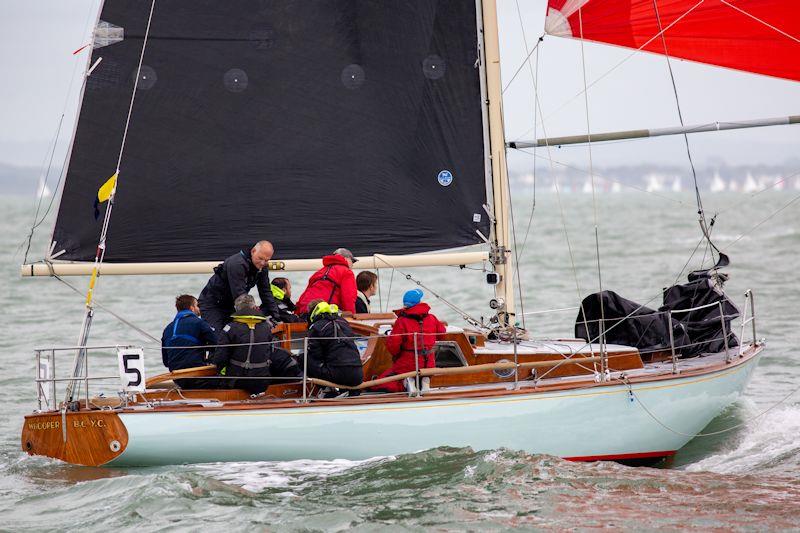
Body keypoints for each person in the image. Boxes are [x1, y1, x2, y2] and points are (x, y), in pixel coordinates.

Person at [212, 294, 302, 394]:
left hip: (237, 381)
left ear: (237, 310)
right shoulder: (266, 327)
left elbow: (220, 357)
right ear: (254, 307)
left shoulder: (229, 328)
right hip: (261, 381)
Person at [198, 241, 283, 334]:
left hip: (229, 305)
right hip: (211, 304)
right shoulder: (237, 264)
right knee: (218, 338)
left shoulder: (262, 267)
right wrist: (253, 318)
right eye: (260, 258)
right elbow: (240, 295)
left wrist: (276, 317)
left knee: (236, 336)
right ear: (253, 251)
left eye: (266, 260)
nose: (263, 263)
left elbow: (265, 292)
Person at [372, 289, 445, 393]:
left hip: (407, 365)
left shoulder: (402, 321)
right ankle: (425, 380)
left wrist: (397, 355)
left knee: (381, 382)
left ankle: (407, 381)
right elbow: (442, 334)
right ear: (419, 302)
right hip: (429, 363)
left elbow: (393, 346)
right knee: (422, 369)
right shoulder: (432, 318)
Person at [303, 299, 364, 389]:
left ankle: (316, 391)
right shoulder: (344, 322)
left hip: (337, 375)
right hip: (357, 375)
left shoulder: (316, 327)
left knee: (304, 359)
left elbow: (315, 355)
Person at [161, 294, 218, 389]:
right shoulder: (199, 323)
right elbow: (217, 345)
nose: (199, 309)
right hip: (197, 374)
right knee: (226, 380)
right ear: (192, 308)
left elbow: (166, 362)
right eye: (197, 306)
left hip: (178, 378)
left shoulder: (168, 328)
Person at [295, 248, 358, 316]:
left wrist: (297, 312)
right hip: (321, 313)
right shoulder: (346, 272)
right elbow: (349, 298)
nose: (352, 265)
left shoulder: (319, 272)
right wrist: (352, 316)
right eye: (352, 261)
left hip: (305, 310)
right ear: (346, 259)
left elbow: (305, 294)